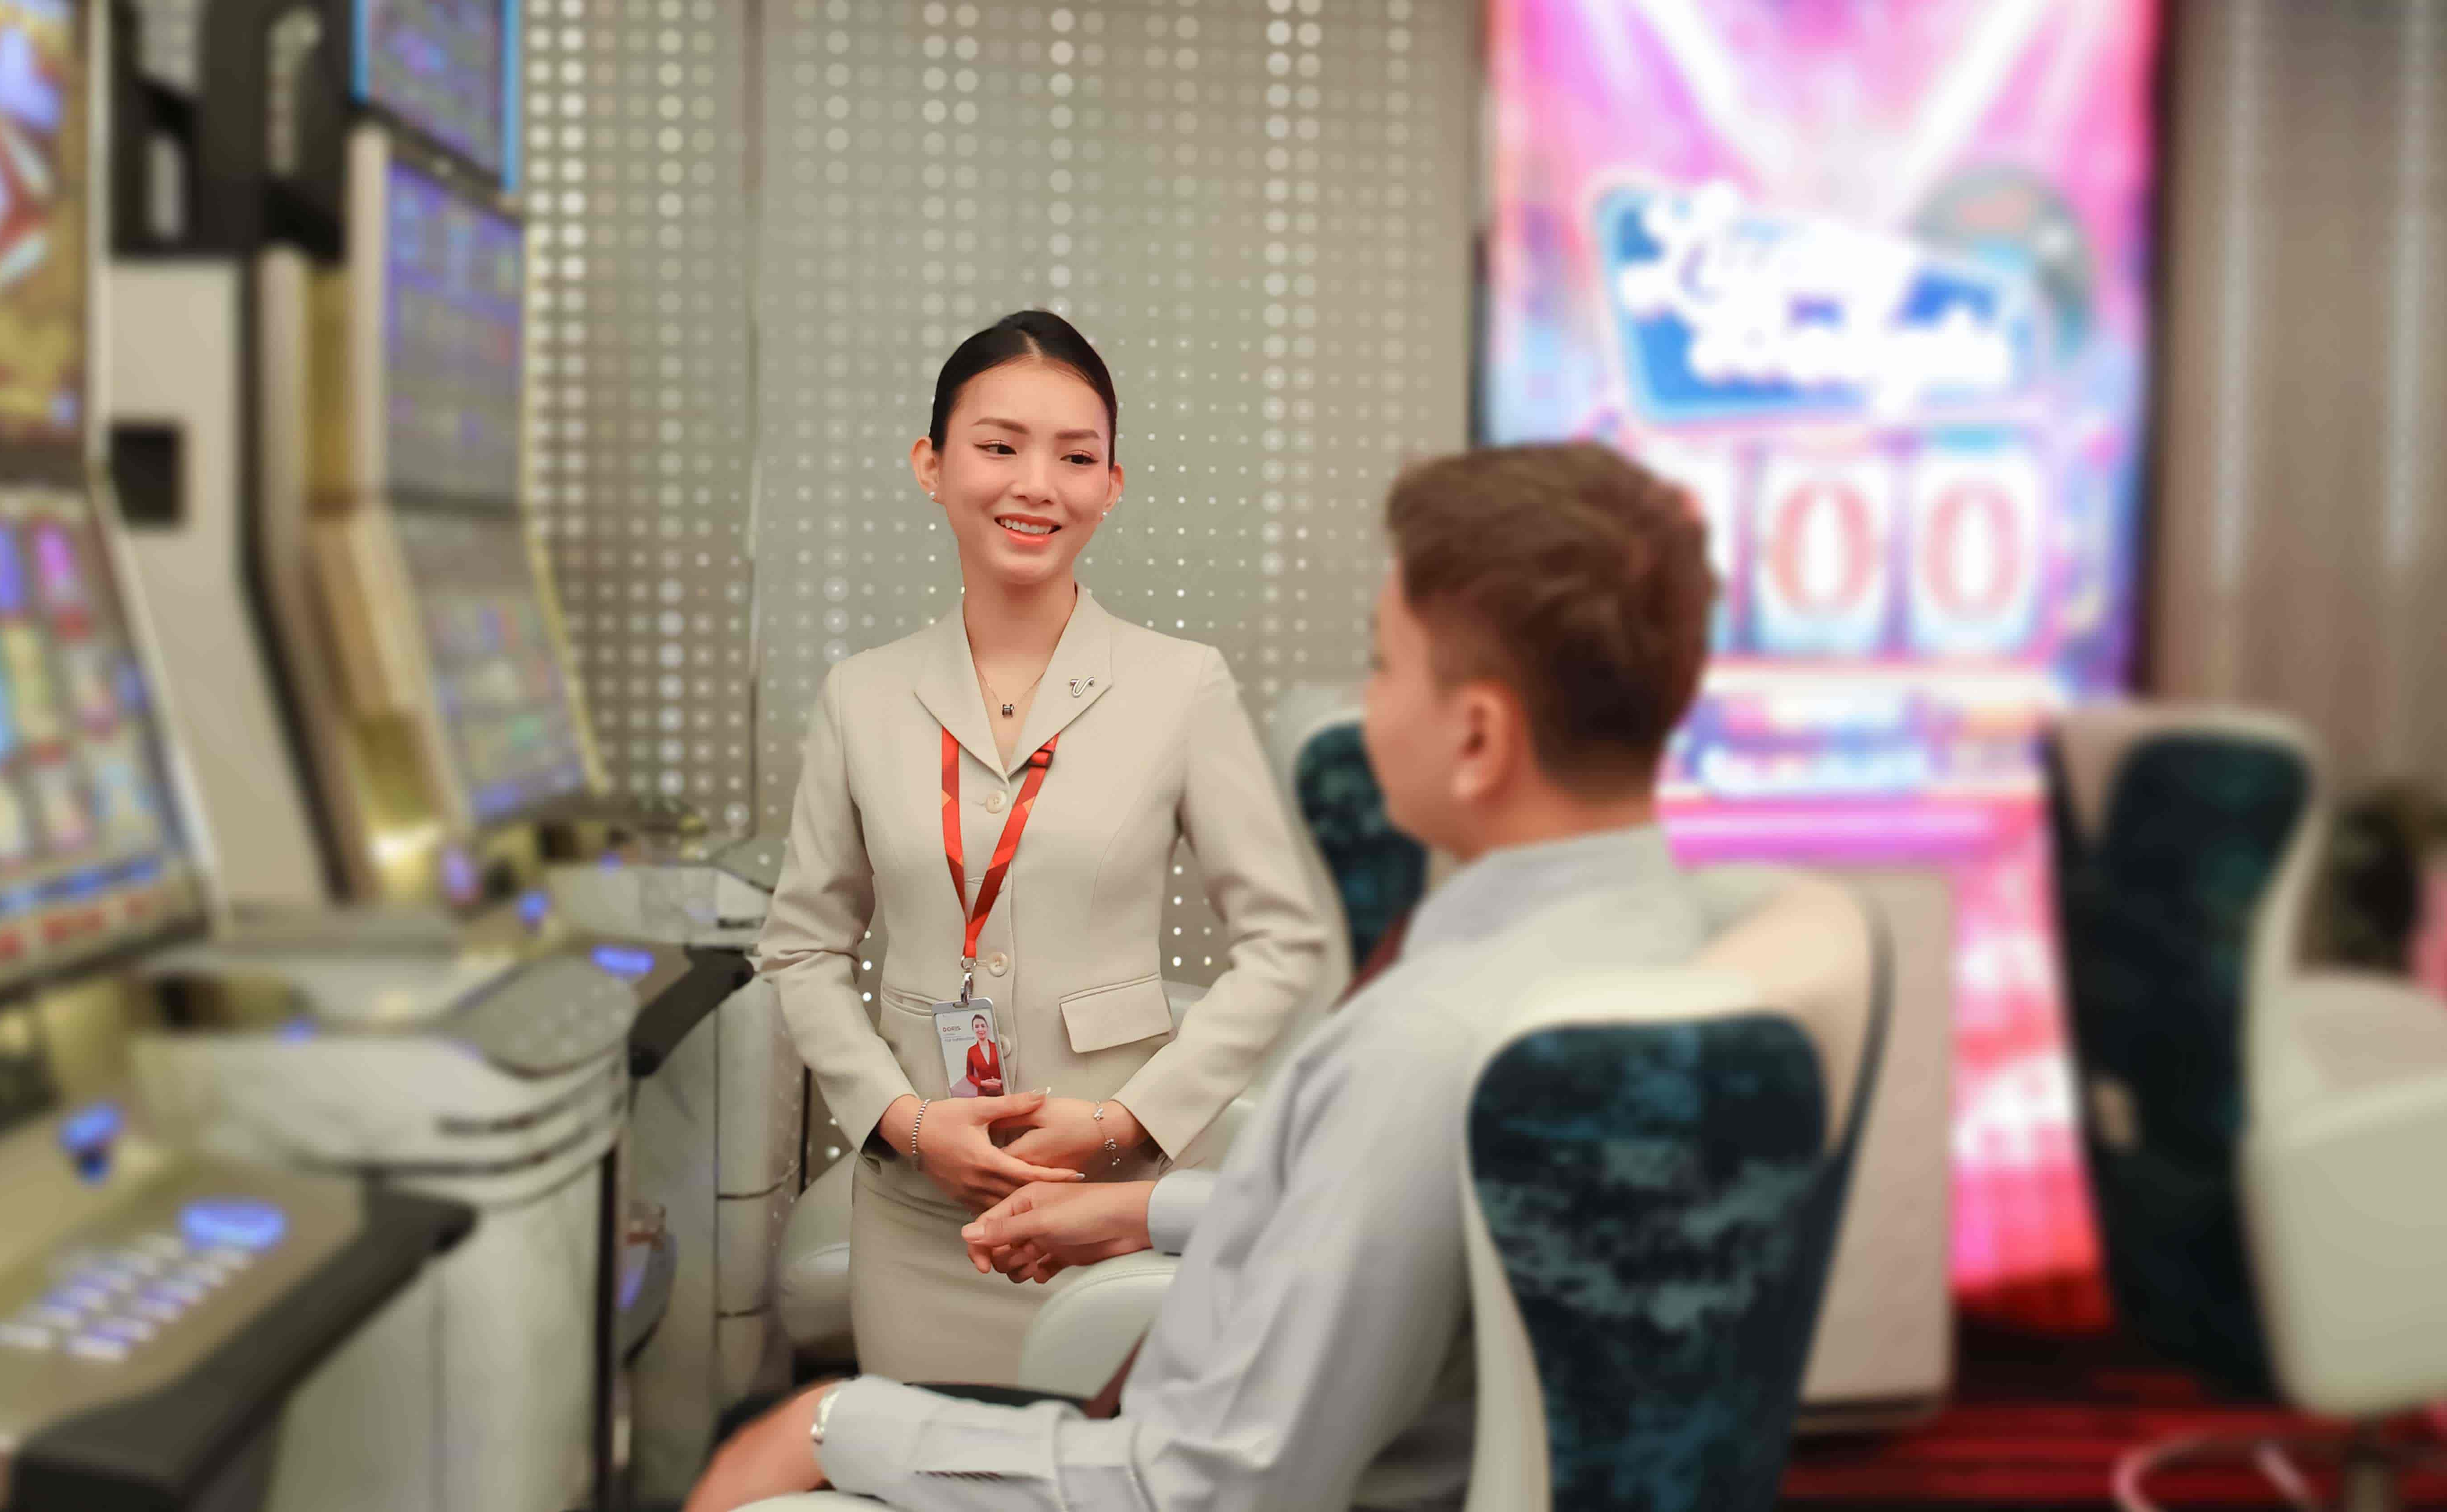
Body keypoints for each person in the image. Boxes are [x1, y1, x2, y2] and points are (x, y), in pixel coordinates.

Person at [687, 440, 1724, 1511]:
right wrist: (1152, 1212)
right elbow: (1391, 1223)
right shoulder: (1653, 941)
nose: (1366, 711)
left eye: (1383, 667)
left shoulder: (1423, 1041)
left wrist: (830, 1423)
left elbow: (1203, 1485)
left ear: (1478, 735)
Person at [755, 310, 1334, 1384]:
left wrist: (1124, 1121)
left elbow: (1286, 942)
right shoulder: (863, 695)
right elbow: (802, 946)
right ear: (932, 465)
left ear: (1112, 486)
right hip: (920, 1210)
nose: (1038, 485)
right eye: (999, 446)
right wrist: (904, 1122)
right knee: (925, 1460)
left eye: (1075, 457)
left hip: (1110, 1207)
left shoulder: (1182, 686)